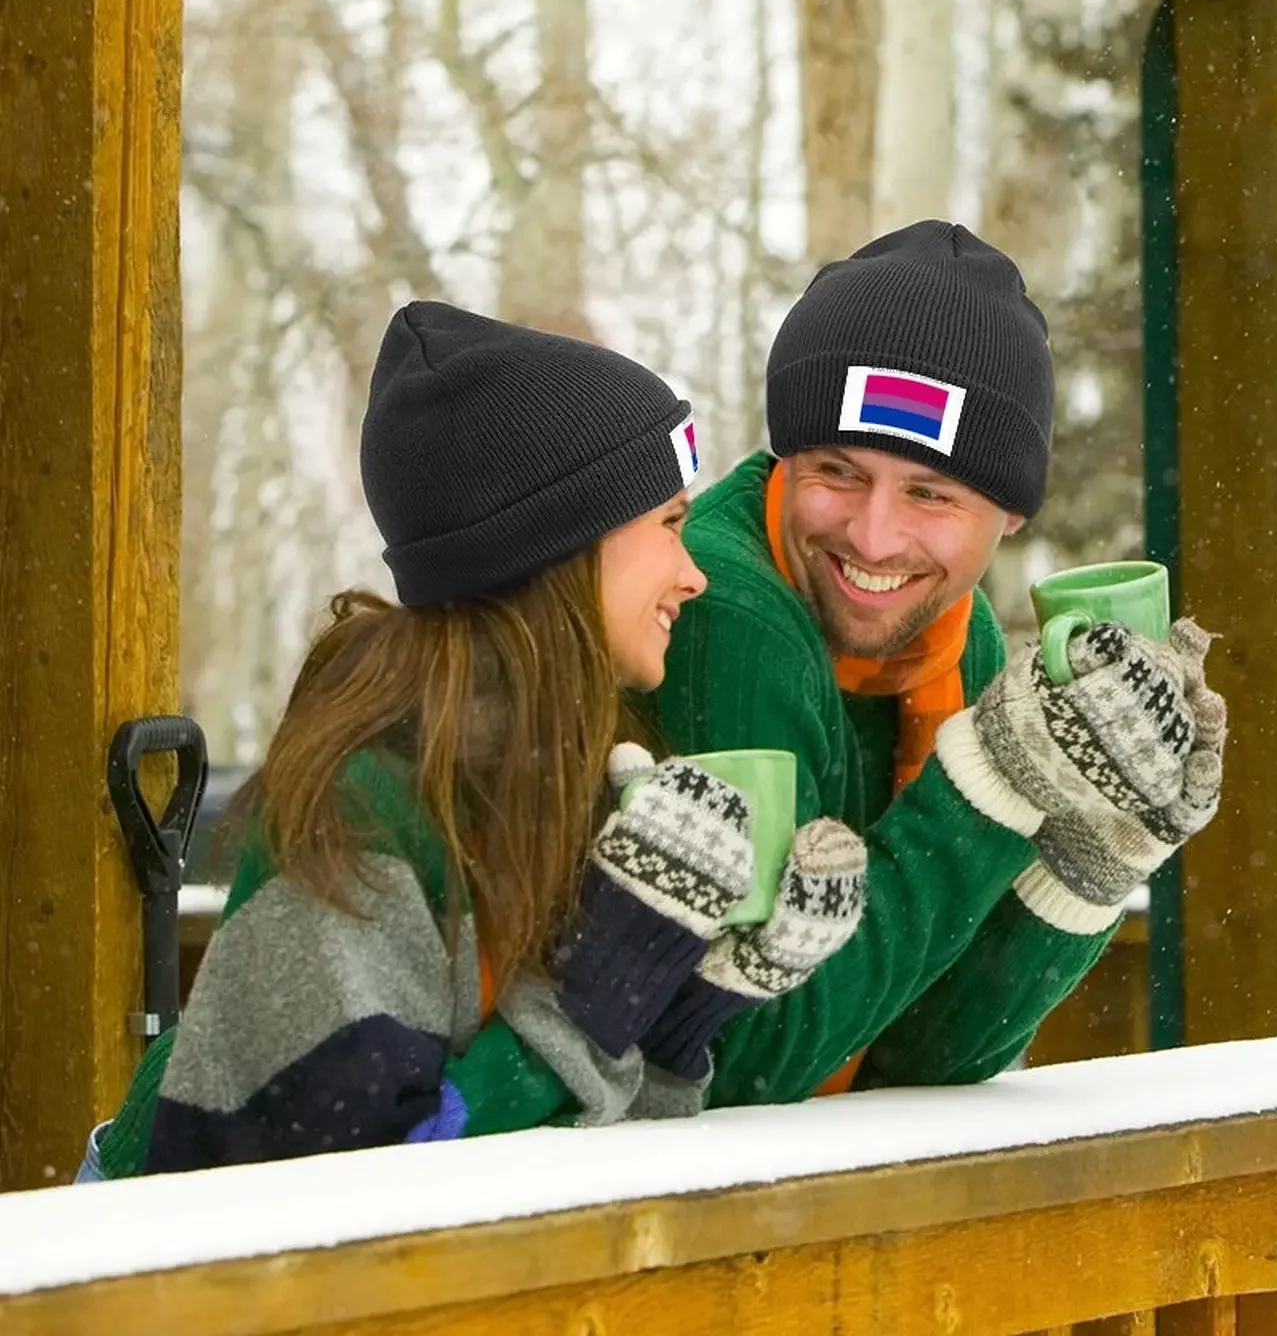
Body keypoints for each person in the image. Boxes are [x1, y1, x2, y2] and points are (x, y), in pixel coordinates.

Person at [79, 301, 866, 1180]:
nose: (694, 574)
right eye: (669, 526)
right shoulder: (362, 804)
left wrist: (683, 1011)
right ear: (559, 545)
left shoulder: (561, 770)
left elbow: (561, 1154)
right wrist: (589, 1005)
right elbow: (347, 1193)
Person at [636, 219, 1227, 1105]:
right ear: (785, 461)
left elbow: (927, 1052)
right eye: (837, 470)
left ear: (1012, 516)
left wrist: (1093, 851)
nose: (874, 536)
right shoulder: (725, 612)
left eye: (930, 494)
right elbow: (751, 1055)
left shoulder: (955, 637)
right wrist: (988, 783)